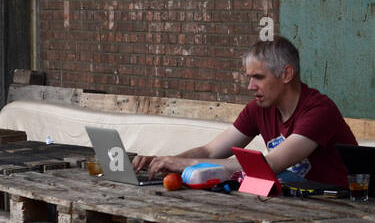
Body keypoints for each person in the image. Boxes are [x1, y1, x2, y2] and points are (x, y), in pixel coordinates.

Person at [133, 36, 357, 186]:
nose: (250, 86)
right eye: (249, 77)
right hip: (292, 208)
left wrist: (186, 165)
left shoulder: (319, 110)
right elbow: (211, 151)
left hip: (342, 211)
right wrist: (163, 161)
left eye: (258, 77)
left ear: (286, 75)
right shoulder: (259, 109)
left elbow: (269, 166)